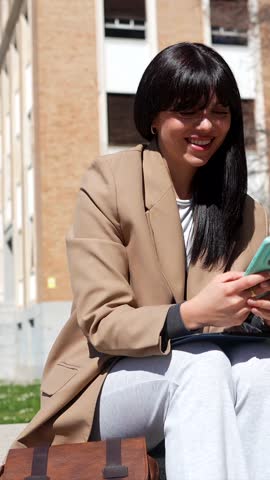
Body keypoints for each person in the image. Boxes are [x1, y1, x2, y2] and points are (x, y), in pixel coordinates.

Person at [12, 42, 270, 480]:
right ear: (153, 115)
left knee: (261, 371)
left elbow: (244, 320)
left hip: (208, 366)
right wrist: (188, 316)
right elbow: (103, 321)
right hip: (105, 379)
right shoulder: (109, 181)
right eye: (188, 111)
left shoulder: (246, 211)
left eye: (220, 112)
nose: (206, 125)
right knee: (202, 366)